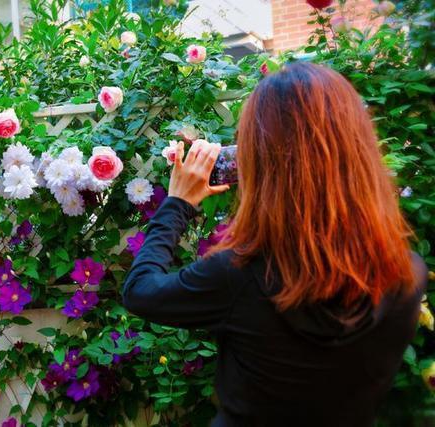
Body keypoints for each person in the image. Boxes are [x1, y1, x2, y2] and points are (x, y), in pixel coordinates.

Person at [122, 62, 427, 427]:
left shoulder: (238, 276)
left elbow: (140, 290)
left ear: (260, 162)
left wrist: (177, 205)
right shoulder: (406, 275)